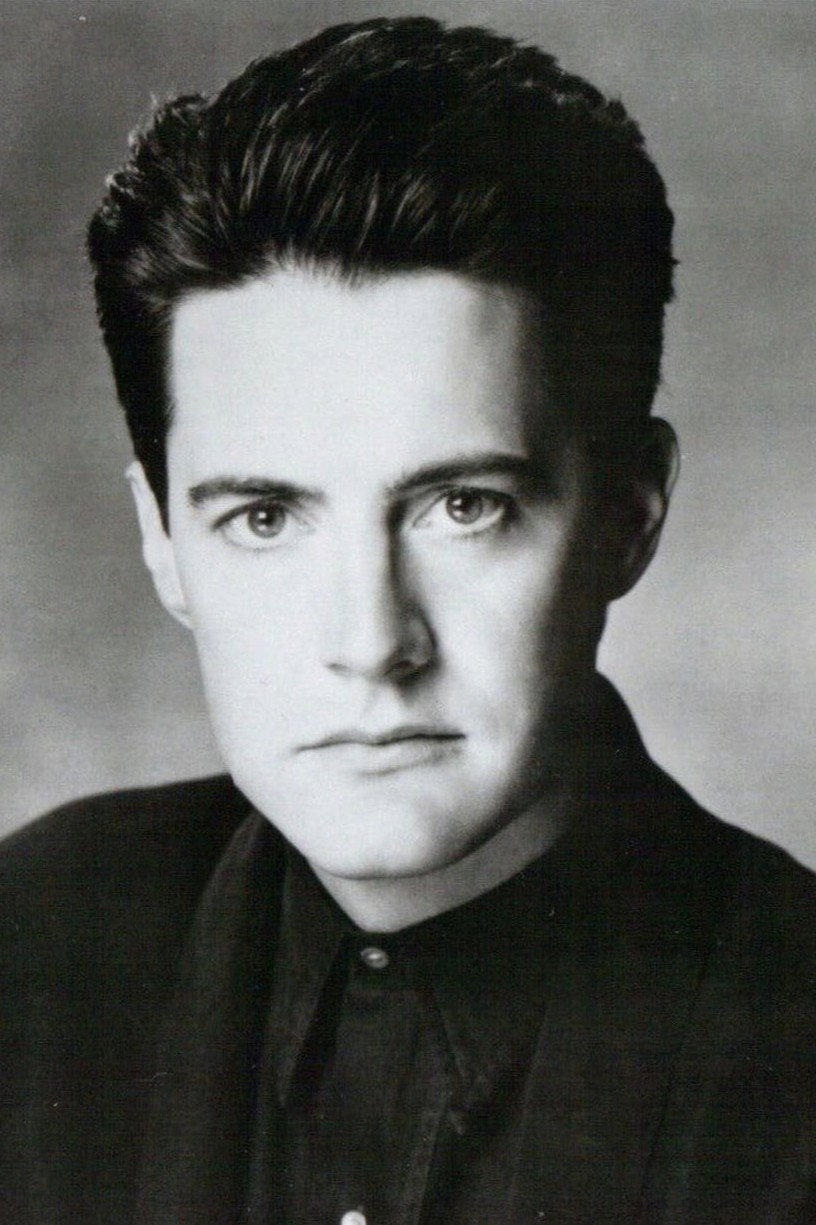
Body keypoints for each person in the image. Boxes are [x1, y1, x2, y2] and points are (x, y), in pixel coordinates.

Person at [1, 16, 814, 1223]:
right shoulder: (34, 947)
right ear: (162, 541)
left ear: (630, 514)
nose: (373, 643)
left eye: (462, 506)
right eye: (266, 517)